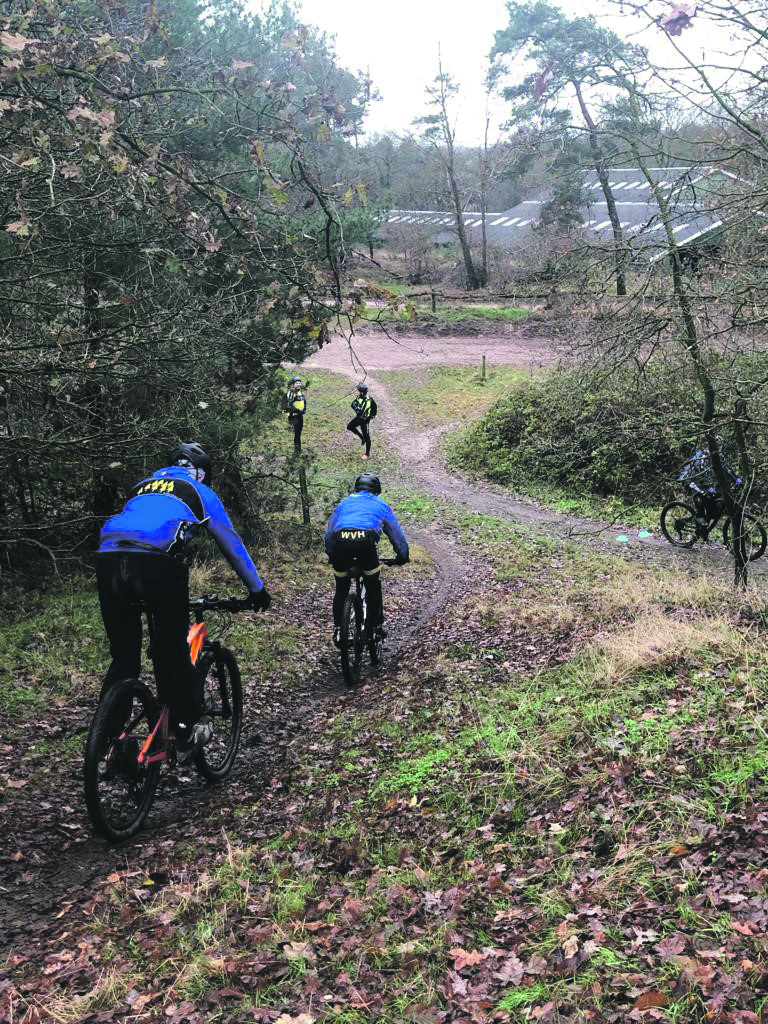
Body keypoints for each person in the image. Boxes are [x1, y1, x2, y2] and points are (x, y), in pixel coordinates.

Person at [96, 442, 271, 757]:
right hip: (157, 562)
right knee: (171, 651)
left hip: (109, 558)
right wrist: (256, 590)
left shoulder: (142, 486)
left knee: (124, 658)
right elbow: (230, 542)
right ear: (202, 473)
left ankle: (107, 744)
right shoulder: (199, 491)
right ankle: (183, 731)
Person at [324, 473, 409, 647]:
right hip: (365, 542)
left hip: (341, 541)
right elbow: (396, 534)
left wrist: (332, 555)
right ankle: (376, 626)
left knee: (341, 588)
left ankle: (340, 630)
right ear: (376, 490)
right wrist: (402, 556)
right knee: (373, 584)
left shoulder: (344, 503)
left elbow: (329, 533)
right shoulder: (380, 504)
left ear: (356, 488)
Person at [678, 441, 742, 524]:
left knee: (713, 501)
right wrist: (708, 487)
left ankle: (705, 522)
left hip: (701, 481)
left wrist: (737, 480)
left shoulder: (719, 456)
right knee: (704, 495)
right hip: (689, 479)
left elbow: (726, 470)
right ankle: (699, 517)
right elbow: (701, 474)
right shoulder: (703, 457)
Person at [346, 383, 377, 461]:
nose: (359, 393)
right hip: (358, 418)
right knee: (350, 427)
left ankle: (367, 454)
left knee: (367, 437)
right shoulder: (358, 398)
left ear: (362, 392)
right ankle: (361, 437)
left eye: (360, 391)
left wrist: (372, 416)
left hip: (365, 421)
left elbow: (374, 408)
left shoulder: (370, 400)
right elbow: (352, 405)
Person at [284, 376, 306, 452]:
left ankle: (298, 449)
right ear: (293, 384)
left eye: (299, 383)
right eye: (297, 383)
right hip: (294, 415)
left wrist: (304, 409)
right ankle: (297, 450)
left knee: (299, 432)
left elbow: (303, 401)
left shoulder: (301, 392)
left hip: (300, 415)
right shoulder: (291, 393)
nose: (298, 384)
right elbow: (288, 405)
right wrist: (295, 412)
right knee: (297, 432)